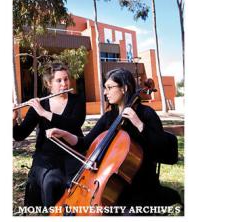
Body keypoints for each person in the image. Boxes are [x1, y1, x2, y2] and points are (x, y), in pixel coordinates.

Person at [46, 68, 177, 215]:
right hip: (110, 185)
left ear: (124, 88)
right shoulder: (109, 118)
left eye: (109, 88)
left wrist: (139, 124)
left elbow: (162, 149)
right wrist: (64, 134)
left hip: (140, 184)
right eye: (105, 88)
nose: (104, 92)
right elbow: (85, 143)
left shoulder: (146, 114)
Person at [13, 63, 86, 210]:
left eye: (66, 79)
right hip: (46, 156)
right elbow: (20, 135)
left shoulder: (77, 100)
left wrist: (44, 113)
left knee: (76, 184)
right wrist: (12, 120)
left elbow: (74, 124)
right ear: (49, 84)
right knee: (51, 182)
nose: (64, 84)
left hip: (72, 152)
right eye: (59, 81)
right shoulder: (40, 104)